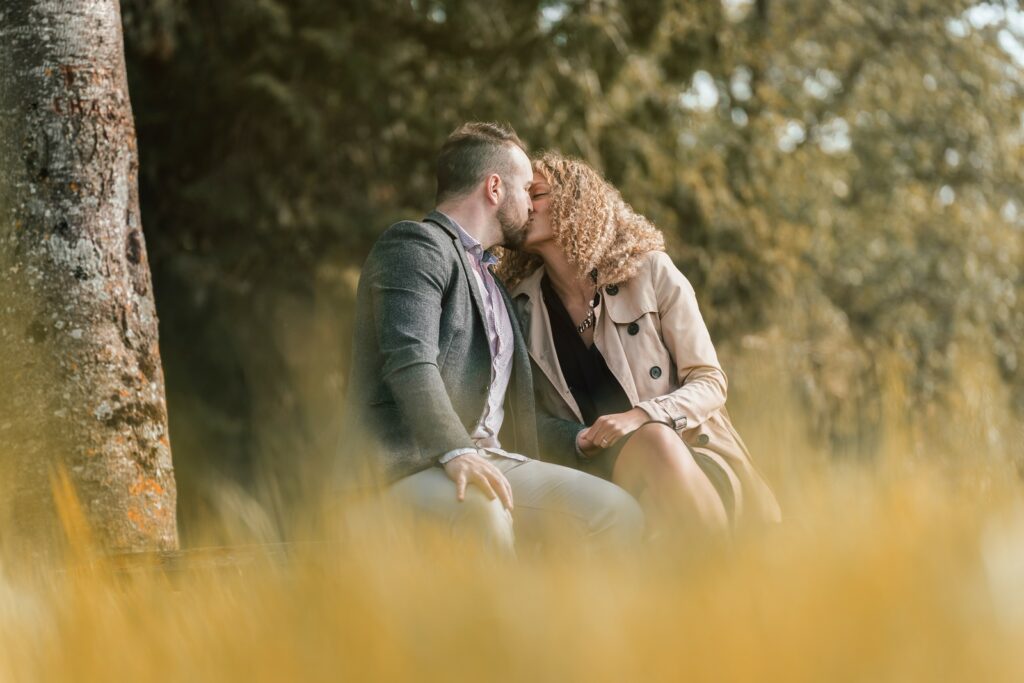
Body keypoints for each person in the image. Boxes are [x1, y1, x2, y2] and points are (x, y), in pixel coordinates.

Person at [338, 124, 643, 556]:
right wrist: (457, 450)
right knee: (484, 511)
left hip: (486, 459)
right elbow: (410, 362)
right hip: (400, 470)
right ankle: (500, 625)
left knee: (616, 512)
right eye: (525, 190)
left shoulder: (496, 286)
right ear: (494, 188)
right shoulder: (415, 246)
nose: (530, 205)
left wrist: (579, 438)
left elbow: (505, 415)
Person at [500, 151, 781, 541]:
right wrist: (577, 440)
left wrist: (641, 416)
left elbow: (710, 381)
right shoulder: (518, 306)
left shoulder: (650, 271)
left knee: (653, 441)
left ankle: (721, 581)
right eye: (522, 193)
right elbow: (522, 418)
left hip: (690, 454)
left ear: (574, 203)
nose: (525, 203)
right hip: (599, 472)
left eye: (539, 193)